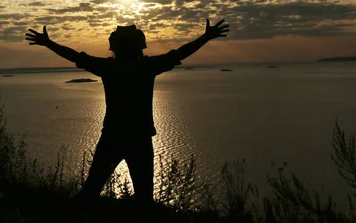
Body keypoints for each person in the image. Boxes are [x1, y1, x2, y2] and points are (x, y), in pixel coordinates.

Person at [25, 19, 229, 203]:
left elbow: (75, 56)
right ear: (140, 46)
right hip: (138, 138)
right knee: (141, 201)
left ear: (114, 47)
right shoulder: (147, 66)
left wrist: (49, 43)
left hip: (113, 137)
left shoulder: (109, 67)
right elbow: (180, 53)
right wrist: (206, 37)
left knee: (91, 193)